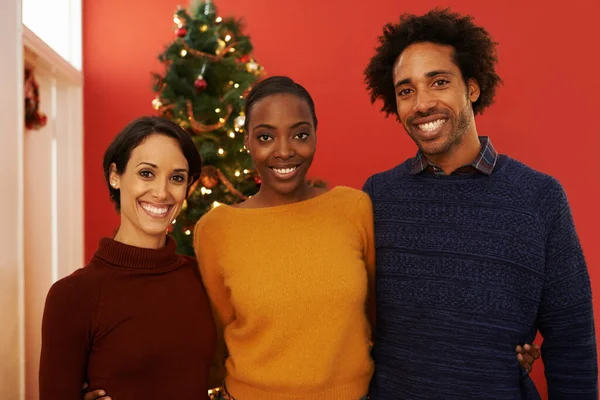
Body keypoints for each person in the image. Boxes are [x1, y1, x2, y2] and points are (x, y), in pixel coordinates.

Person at [362, 8, 597, 399]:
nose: (421, 104)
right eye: (406, 90)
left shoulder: (539, 198)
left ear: (471, 88)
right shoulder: (377, 195)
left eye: (438, 82)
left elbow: (571, 343)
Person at [194, 76, 376, 399]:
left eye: (300, 135)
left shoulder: (353, 208)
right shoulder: (216, 229)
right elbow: (214, 339)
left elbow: (376, 314)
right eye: (265, 137)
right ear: (247, 141)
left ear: (316, 135)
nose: (284, 151)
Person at [39, 116, 216, 400]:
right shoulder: (72, 296)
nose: (161, 193)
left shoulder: (201, 277)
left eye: (177, 178)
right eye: (147, 173)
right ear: (115, 175)